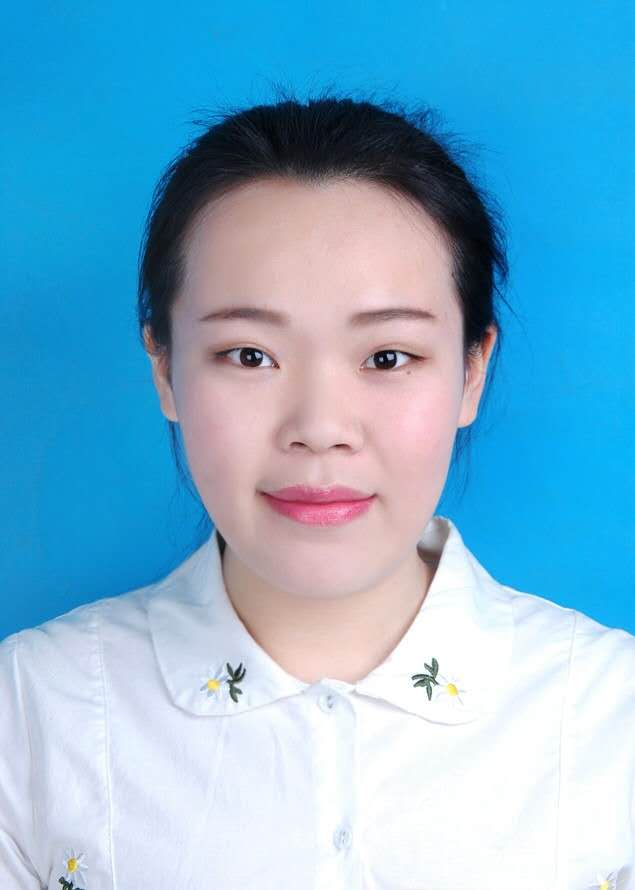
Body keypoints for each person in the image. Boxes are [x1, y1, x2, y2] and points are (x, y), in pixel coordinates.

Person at [1, 89, 633, 890]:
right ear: (163, 368)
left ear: (472, 371)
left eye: (387, 357)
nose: (320, 427)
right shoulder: (31, 713)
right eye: (249, 356)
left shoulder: (611, 719)